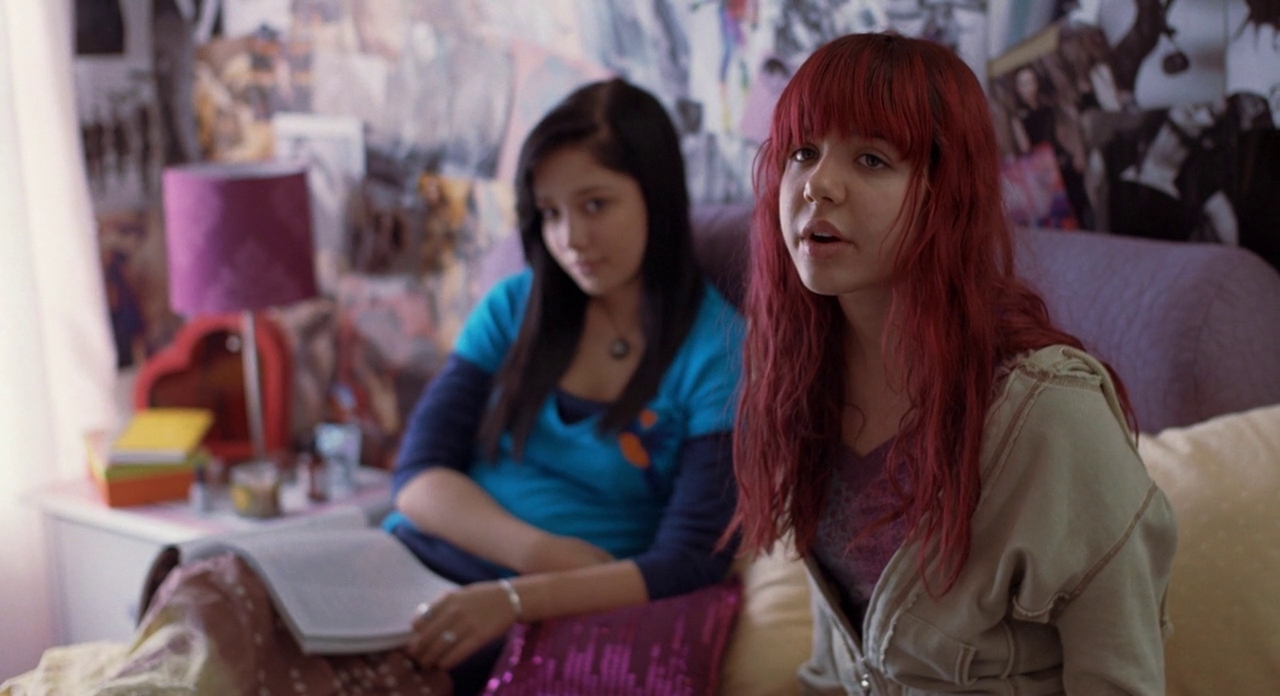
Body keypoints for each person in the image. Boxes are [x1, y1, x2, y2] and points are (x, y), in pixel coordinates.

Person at [728, 33, 1176, 694]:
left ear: (946, 195)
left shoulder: (1050, 415)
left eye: (872, 159)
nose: (818, 184)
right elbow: (845, 650)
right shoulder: (804, 377)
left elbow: (1120, 679)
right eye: (803, 152)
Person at [383, 77, 744, 694]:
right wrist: (539, 555)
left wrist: (516, 599)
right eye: (550, 213)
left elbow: (690, 562)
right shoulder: (514, 306)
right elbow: (416, 478)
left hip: (554, 617)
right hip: (418, 567)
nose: (571, 239)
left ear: (657, 197)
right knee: (228, 591)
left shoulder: (720, 351)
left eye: (595, 205)